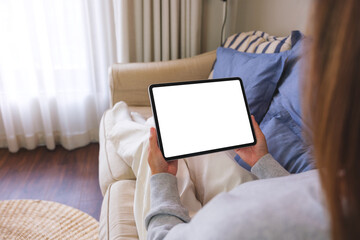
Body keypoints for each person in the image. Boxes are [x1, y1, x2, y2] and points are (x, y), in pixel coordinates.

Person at [145, 0, 360, 239]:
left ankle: (120, 123)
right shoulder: (329, 189)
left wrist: (160, 178)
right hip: (252, 171)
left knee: (149, 133)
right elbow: (298, 194)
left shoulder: (237, 221)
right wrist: (262, 160)